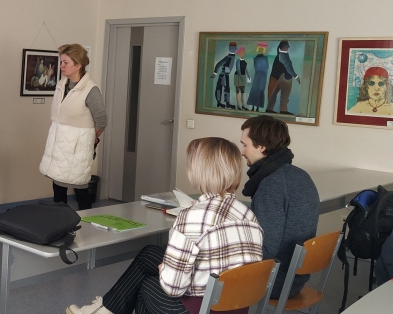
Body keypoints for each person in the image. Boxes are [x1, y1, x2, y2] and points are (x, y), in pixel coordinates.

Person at [67, 137, 264, 314]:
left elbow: (174, 288)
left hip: (203, 308)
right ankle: (105, 310)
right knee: (148, 254)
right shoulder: (248, 215)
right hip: (236, 306)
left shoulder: (191, 217)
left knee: (147, 286)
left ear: (198, 171)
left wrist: (164, 271)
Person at [240, 115, 319, 300]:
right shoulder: (300, 175)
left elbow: (266, 250)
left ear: (261, 146)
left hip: (275, 281)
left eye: (245, 145)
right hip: (295, 277)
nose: (242, 152)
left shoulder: (271, 185)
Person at [40, 44, 106, 210]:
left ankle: (87, 222)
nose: (61, 66)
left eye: (66, 62)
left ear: (78, 65)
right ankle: (59, 221)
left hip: (77, 149)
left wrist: (92, 138)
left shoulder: (91, 90)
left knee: (80, 189)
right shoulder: (61, 85)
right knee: (58, 187)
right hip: (59, 146)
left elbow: (101, 121)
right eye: (61, 62)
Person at [265, 40, 300, 115]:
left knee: (278, 95)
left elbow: (288, 67)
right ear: (283, 47)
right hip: (280, 78)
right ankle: (278, 110)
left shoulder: (282, 55)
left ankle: (276, 110)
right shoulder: (283, 55)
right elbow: (288, 67)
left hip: (279, 77)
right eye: (286, 47)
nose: (287, 48)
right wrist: (296, 76)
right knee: (278, 95)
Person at [210, 42, 237, 109]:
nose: (233, 49)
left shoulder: (232, 56)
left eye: (234, 48)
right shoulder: (228, 57)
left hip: (226, 74)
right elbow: (219, 64)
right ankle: (221, 103)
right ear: (229, 48)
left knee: (223, 88)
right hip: (224, 75)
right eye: (231, 47)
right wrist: (215, 73)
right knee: (223, 88)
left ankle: (225, 103)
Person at [247, 42, 269, 112]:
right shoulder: (264, 58)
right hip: (262, 76)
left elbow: (256, 67)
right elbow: (266, 67)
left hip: (259, 75)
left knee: (256, 90)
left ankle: (255, 108)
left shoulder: (256, 58)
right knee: (258, 91)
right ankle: (256, 108)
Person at [233, 46, 250, 110]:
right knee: (237, 91)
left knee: (243, 92)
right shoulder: (238, 61)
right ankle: (238, 105)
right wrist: (240, 77)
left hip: (243, 76)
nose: (244, 54)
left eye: (244, 53)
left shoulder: (244, 62)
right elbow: (238, 69)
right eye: (242, 53)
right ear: (240, 54)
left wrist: (248, 76)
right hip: (237, 77)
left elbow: (246, 69)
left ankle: (243, 105)